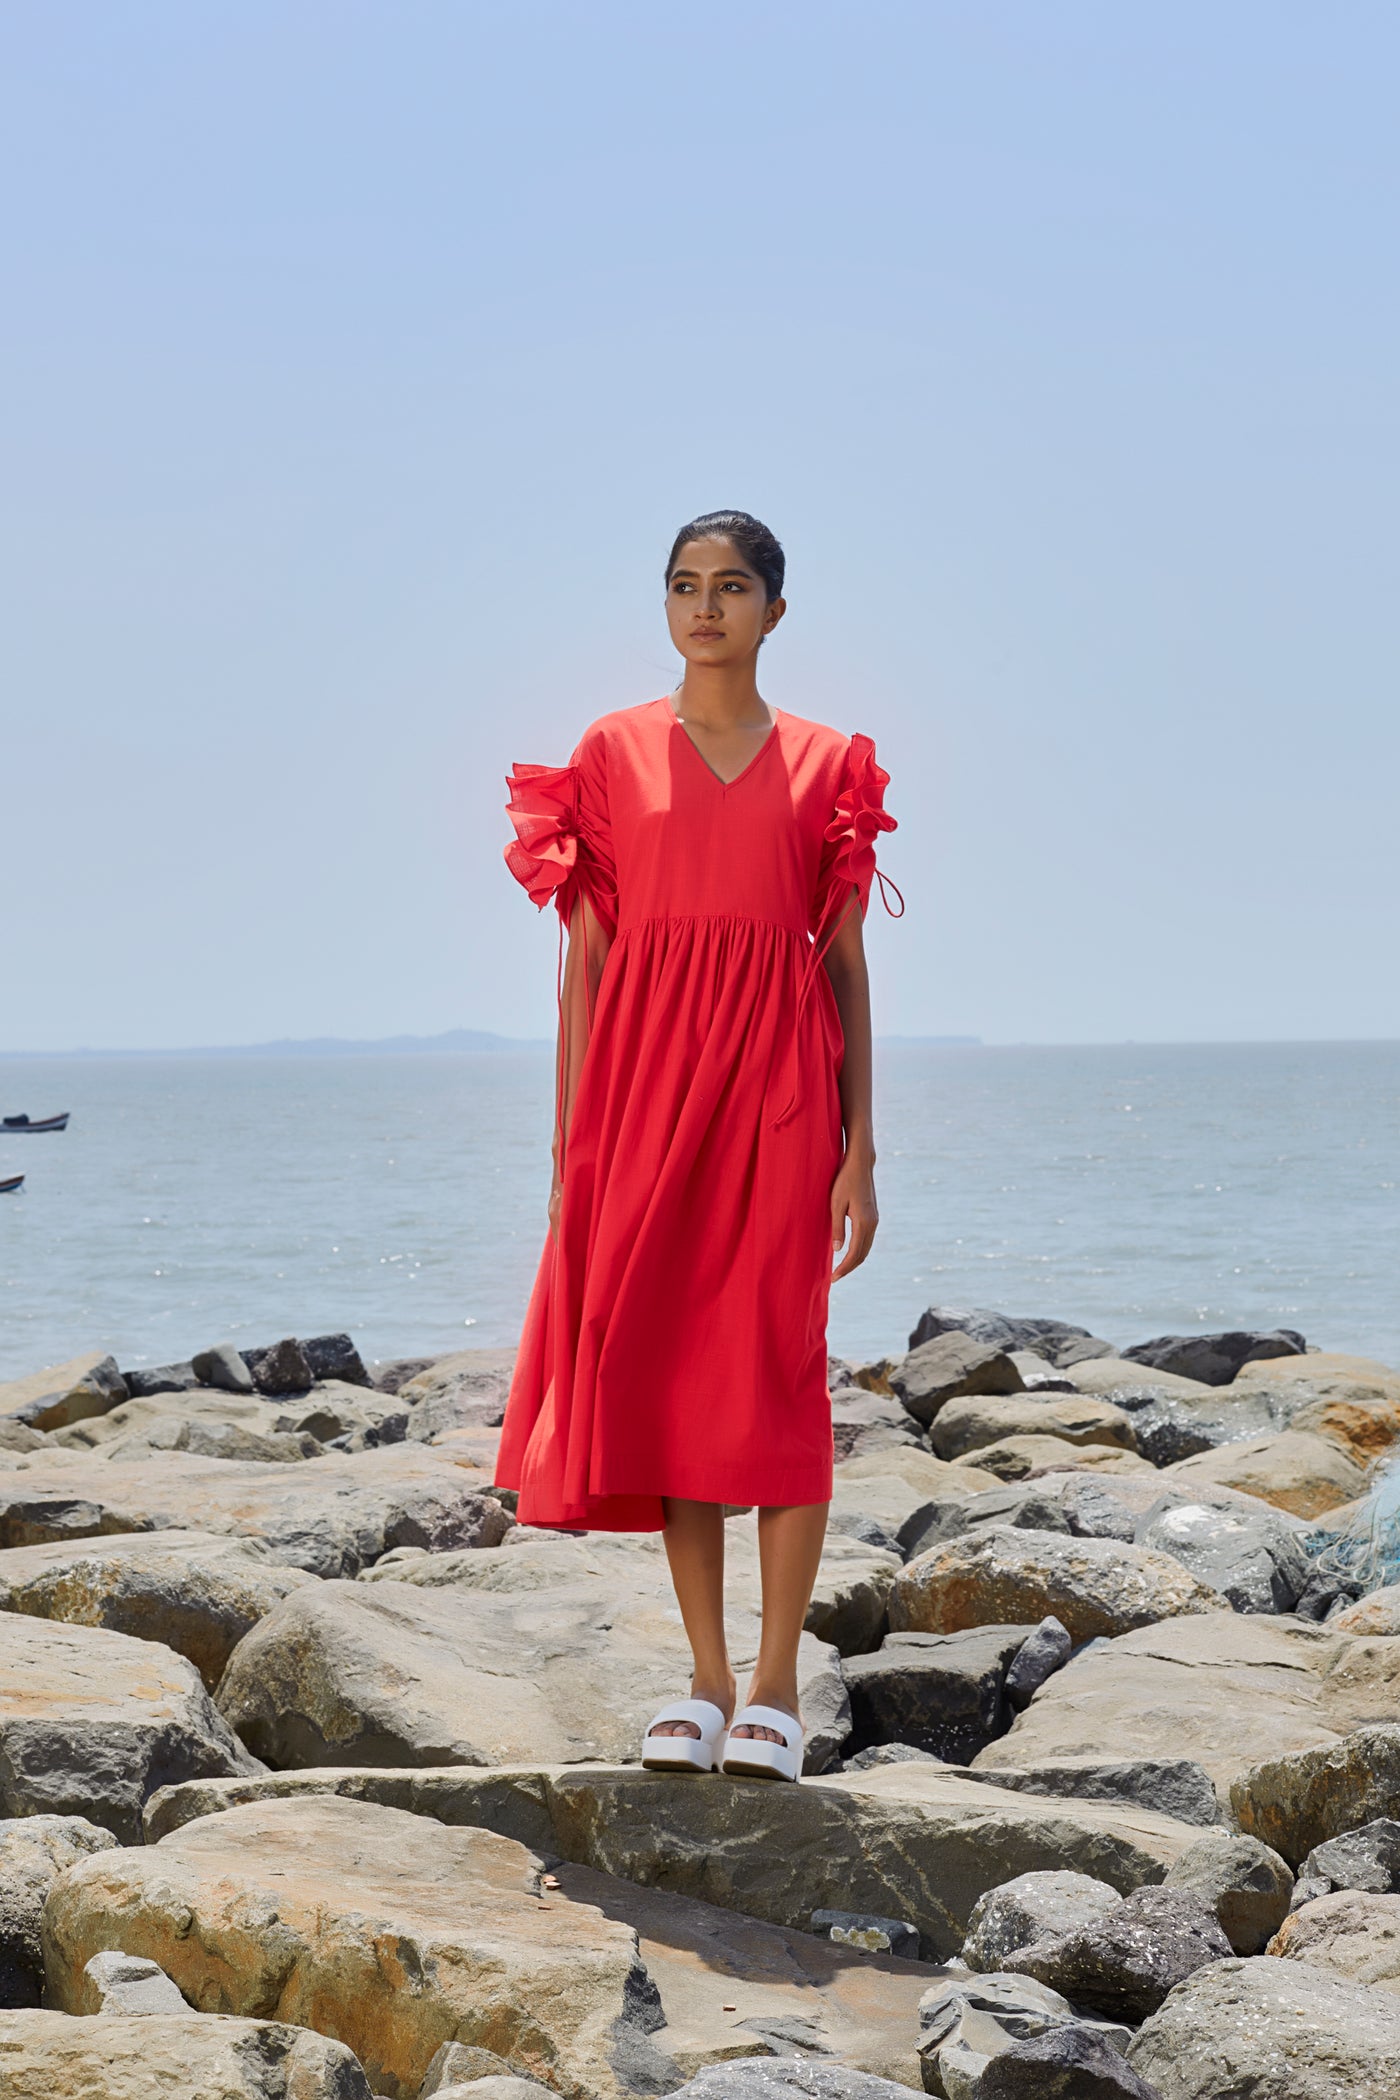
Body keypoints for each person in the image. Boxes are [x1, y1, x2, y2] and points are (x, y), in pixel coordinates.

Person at [496, 509, 900, 1782]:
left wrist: (860, 1149)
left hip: (780, 1093)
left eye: (731, 587)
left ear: (774, 610)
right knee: (669, 1367)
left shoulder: (827, 762)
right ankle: (706, 1680)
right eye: (683, 586)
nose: (705, 607)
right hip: (641, 1091)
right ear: (664, 608)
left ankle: (777, 1684)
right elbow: (587, 966)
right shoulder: (609, 754)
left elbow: (842, 966)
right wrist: (571, 1150)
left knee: (775, 1368)